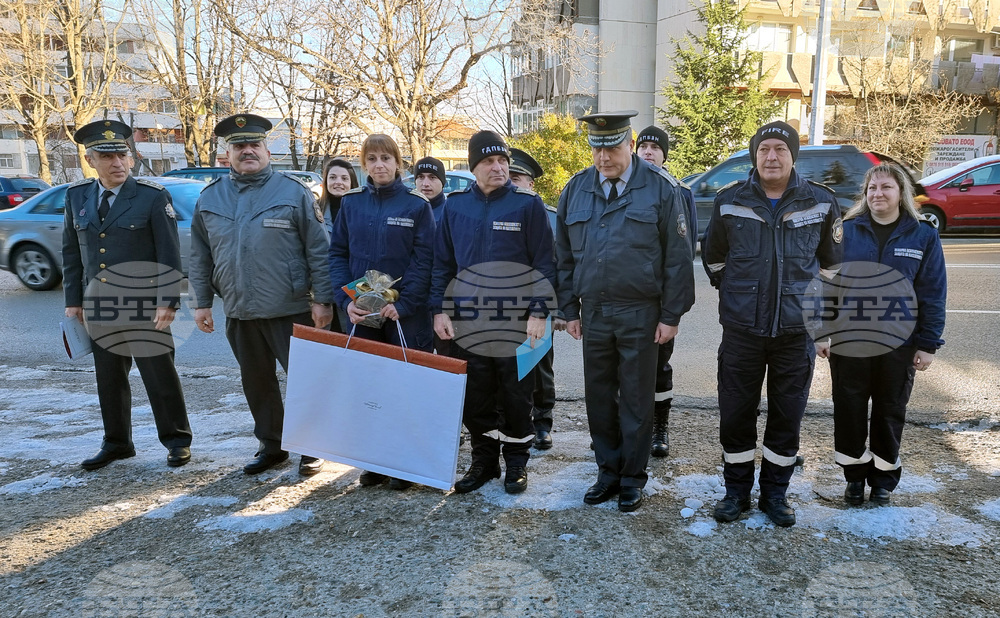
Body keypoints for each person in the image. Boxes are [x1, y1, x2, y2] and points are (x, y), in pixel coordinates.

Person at [702, 121, 843, 527]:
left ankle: (775, 495)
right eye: (764, 149)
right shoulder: (730, 200)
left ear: (792, 155)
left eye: (780, 148)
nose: (771, 156)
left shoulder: (820, 201)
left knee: (787, 415)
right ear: (754, 155)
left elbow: (832, 268)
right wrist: (739, 292)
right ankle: (736, 492)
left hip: (795, 334)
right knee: (735, 413)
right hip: (743, 331)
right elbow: (714, 257)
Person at [556, 111, 695, 512]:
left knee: (636, 397)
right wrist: (569, 309)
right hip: (594, 311)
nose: (603, 158)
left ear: (630, 145)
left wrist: (671, 316)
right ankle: (607, 472)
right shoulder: (576, 189)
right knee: (598, 396)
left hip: (641, 312)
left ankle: (633, 477)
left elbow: (678, 259)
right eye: (596, 148)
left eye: (612, 147)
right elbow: (562, 256)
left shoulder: (661, 188)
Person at [189, 113, 334, 477]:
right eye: (239, 146)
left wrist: (323, 299)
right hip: (239, 309)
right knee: (257, 382)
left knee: (303, 380)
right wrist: (201, 302)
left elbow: (319, 249)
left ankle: (311, 446)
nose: (247, 151)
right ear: (228, 154)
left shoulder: (293, 192)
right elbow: (200, 254)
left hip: (291, 306)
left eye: (254, 144)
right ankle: (272, 445)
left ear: (267, 149)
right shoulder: (210, 197)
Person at [62, 119, 193, 470]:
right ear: (90, 160)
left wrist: (169, 301)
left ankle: (177, 439)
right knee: (109, 379)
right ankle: (117, 442)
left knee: (159, 376)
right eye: (107, 157)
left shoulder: (151, 196)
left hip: (144, 305)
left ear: (132, 159)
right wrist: (74, 302)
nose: (117, 162)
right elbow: (72, 253)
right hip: (99, 306)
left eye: (122, 154)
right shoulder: (77, 197)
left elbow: (169, 253)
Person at [432, 130, 555, 495]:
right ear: (474, 168)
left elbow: (545, 264)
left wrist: (539, 312)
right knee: (477, 397)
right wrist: (440, 311)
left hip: (516, 322)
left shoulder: (527, 206)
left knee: (517, 397)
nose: (498, 167)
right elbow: (443, 265)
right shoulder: (455, 206)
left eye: (502, 161)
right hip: (468, 323)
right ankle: (484, 461)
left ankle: (516, 463)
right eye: (489, 162)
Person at [816, 163, 946, 507]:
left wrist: (929, 343)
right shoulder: (847, 230)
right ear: (865, 194)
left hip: (899, 342)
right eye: (872, 188)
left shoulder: (923, 235)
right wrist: (823, 331)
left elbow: (933, 292)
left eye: (886, 188)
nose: (878, 194)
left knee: (890, 411)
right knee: (849, 408)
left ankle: (884, 481)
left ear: (901, 193)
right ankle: (854, 479)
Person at [329, 134, 436, 490]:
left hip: (405, 314)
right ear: (364, 164)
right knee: (369, 387)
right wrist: (346, 300)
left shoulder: (416, 206)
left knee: (404, 387)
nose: (379, 165)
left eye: (386, 158)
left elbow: (425, 262)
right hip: (361, 313)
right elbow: (338, 255)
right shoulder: (352, 204)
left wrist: (402, 304)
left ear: (398, 163)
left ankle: (405, 463)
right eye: (372, 159)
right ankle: (374, 460)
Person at [635, 125, 699, 458]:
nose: (648, 151)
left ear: (664, 155)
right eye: (643, 145)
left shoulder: (679, 191)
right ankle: (625, 427)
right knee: (623, 367)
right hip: (626, 297)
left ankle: (660, 428)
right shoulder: (622, 187)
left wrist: (672, 306)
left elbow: (684, 253)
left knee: (659, 366)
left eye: (655, 147)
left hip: (659, 299)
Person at [508, 147, 564, 450]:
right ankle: (515, 419)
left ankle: (542, 422)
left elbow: (559, 265)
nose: (513, 184)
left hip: (538, 305)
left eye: (518, 178)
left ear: (532, 183)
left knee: (539, 365)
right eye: (510, 178)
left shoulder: (550, 217)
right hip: (503, 306)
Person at [318, 158, 359, 333]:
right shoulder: (314, 211)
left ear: (352, 183)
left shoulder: (361, 212)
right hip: (323, 291)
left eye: (344, 178)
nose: (338, 183)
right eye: (333, 177)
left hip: (353, 290)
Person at [413, 156, 448, 222]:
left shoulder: (450, 213)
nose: (426, 184)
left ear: (442, 182)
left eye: (432, 177)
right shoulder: (405, 211)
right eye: (421, 177)